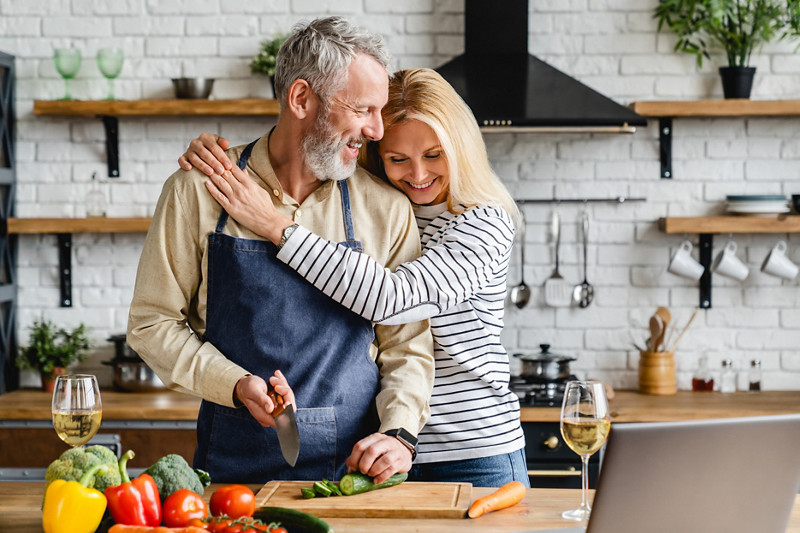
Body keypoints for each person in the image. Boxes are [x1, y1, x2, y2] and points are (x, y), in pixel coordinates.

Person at [179, 68, 529, 488]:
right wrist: (223, 156)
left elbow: (391, 300)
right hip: (382, 449)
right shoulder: (388, 204)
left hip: (471, 449)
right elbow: (304, 144)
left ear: (462, 147)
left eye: (434, 155)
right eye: (398, 158)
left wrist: (273, 225)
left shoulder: (483, 224)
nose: (418, 175)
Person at [127, 17, 435, 485]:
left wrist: (399, 434)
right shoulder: (197, 190)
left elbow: (406, 346)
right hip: (231, 470)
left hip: (355, 476)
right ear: (300, 99)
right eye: (363, 110)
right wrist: (233, 383)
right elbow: (152, 324)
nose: (377, 131)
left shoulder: (386, 207)